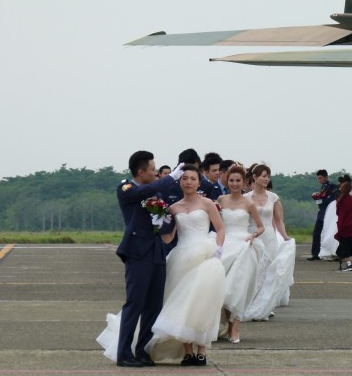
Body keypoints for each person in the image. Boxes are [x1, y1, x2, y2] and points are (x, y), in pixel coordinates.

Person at [95, 151, 184, 368]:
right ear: (141, 172)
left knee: (153, 306)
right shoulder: (127, 188)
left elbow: (164, 217)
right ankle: (124, 352)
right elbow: (146, 190)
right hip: (137, 253)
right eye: (153, 170)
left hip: (156, 252)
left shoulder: (154, 192)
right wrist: (170, 177)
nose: (155, 173)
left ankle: (142, 351)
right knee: (135, 303)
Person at [146, 164, 226, 366]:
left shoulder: (208, 203)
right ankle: (188, 350)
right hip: (181, 258)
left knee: (202, 302)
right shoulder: (173, 208)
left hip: (206, 257)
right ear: (179, 182)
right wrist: (159, 222)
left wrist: (218, 249)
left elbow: (220, 228)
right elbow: (168, 238)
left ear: (199, 182)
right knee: (183, 303)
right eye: (184, 179)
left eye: (192, 178)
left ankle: (202, 349)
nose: (188, 182)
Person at [217, 165, 265, 343]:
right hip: (225, 244)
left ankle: (235, 328)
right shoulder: (220, 200)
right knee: (224, 288)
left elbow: (261, 226)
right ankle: (227, 326)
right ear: (227, 181)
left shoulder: (248, 203)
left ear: (244, 182)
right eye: (232, 180)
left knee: (238, 287)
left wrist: (253, 235)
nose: (235, 184)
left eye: (238, 181)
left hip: (243, 246)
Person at [243, 163, 296, 321]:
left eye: (268, 176)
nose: (266, 179)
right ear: (255, 177)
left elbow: (279, 221)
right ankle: (249, 304)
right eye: (263, 176)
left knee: (267, 272)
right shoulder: (245, 198)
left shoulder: (273, 198)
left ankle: (264, 306)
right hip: (252, 236)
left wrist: (285, 237)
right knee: (254, 271)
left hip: (269, 238)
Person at [319, 175, 352, 261]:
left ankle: (341, 253)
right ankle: (339, 252)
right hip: (341, 216)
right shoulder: (345, 194)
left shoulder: (346, 195)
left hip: (344, 217)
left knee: (341, 235)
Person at [308, 170, 338, 261]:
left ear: (326, 177)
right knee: (316, 233)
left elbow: (332, 200)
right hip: (322, 212)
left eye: (320, 178)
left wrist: (319, 200)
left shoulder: (332, 187)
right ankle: (315, 254)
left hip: (329, 213)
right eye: (317, 178)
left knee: (328, 234)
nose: (319, 180)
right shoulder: (323, 187)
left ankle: (332, 252)